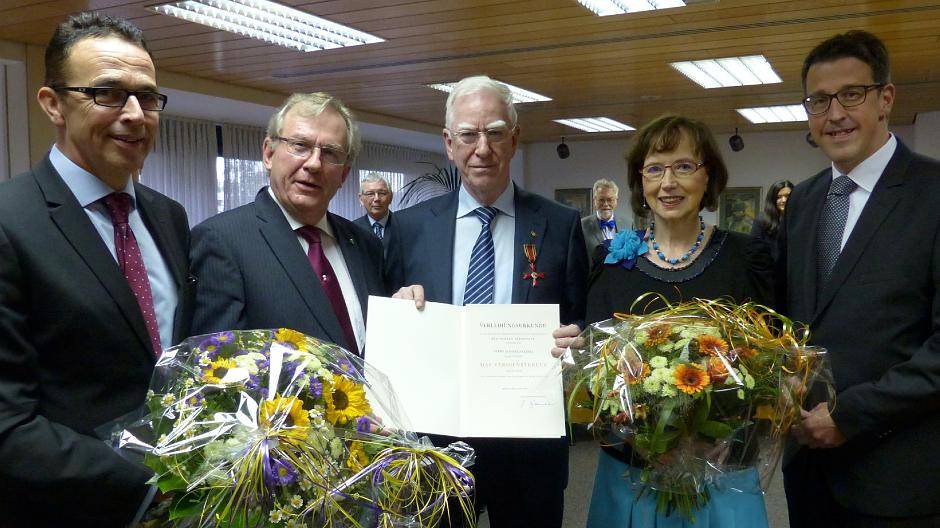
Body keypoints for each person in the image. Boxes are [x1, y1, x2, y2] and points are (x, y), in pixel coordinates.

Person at [0, 13, 194, 526]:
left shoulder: (168, 217)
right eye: (107, 93)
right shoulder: (9, 223)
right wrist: (156, 480)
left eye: (147, 96)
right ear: (52, 104)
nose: (134, 114)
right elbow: (8, 423)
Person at [385, 75, 588, 528]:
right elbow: (383, 335)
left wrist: (577, 342)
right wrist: (398, 316)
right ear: (448, 142)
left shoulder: (561, 225)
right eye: (468, 134)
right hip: (435, 445)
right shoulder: (408, 228)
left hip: (529, 445)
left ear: (514, 140)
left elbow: (582, 323)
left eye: (495, 132)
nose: (483, 148)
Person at [554, 114, 773, 527]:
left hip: (722, 476)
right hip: (630, 477)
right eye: (655, 169)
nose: (668, 182)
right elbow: (599, 361)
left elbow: (765, 362)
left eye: (684, 166)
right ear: (641, 182)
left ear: (709, 176)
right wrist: (575, 354)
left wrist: (713, 430)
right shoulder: (613, 263)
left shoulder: (747, 259)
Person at [779, 30, 940, 527]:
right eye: (819, 100)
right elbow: (793, 317)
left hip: (898, 476)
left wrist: (852, 416)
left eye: (852, 94)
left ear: (885, 98)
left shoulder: (933, 193)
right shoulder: (803, 201)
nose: (835, 114)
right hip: (807, 471)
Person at [190, 93, 385, 356]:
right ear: (269, 153)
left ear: (344, 174)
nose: (314, 163)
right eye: (300, 145)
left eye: (330, 153)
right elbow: (214, 371)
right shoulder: (222, 241)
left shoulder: (365, 244)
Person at [750, 179, 794, 260]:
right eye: (779, 197)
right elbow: (755, 251)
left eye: (787, 196)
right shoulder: (762, 220)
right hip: (769, 270)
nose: (783, 200)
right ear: (773, 199)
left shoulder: (800, 219)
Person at [581, 178, 620, 265]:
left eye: (610, 200)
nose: (605, 204)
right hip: (594, 277)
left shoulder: (628, 223)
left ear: (616, 201)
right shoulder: (582, 225)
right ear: (595, 201)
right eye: (601, 200)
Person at [354, 172, 394, 255]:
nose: (376, 199)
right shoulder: (352, 229)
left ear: (390, 197)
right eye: (370, 194)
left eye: (382, 193)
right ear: (361, 199)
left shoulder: (403, 225)